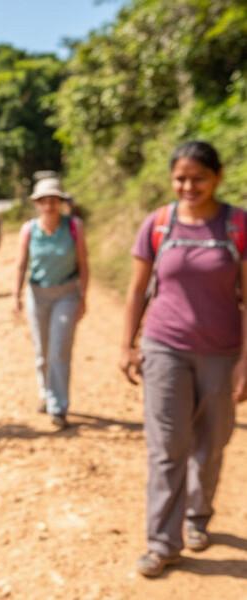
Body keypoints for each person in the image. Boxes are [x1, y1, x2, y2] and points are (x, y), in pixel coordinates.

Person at [120, 141, 247, 578]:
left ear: (218, 177)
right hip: (163, 347)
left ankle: (197, 516)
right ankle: (162, 542)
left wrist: (245, 362)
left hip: (222, 353)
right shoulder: (158, 224)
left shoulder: (237, 226)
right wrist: (126, 344)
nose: (188, 186)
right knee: (166, 448)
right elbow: (137, 290)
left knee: (211, 444)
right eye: (180, 178)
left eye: (198, 178)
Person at [14, 176, 88, 430]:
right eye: (44, 201)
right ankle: (45, 393)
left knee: (60, 349)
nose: (49, 205)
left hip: (67, 294)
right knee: (42, 351)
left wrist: (83, 297)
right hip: (37, 294)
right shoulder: (29, 230)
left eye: (53, 200)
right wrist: (16, 296)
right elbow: (21, 263)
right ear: (37, 204)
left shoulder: (73, 226)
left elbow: (84, 264)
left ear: (60, 202)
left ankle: (59, 406)